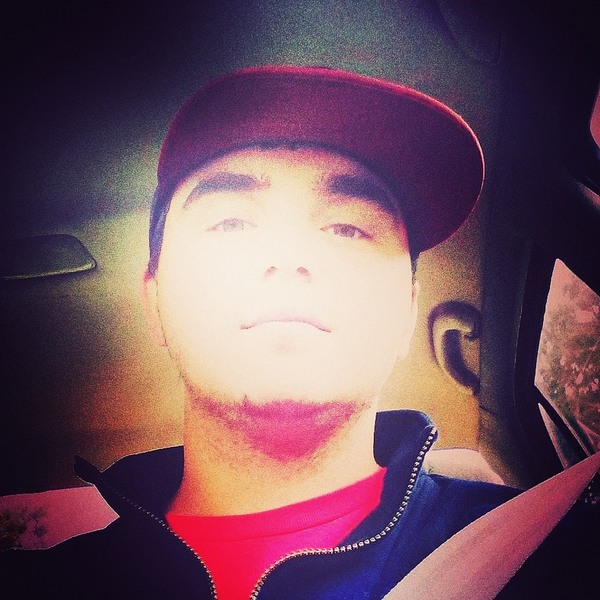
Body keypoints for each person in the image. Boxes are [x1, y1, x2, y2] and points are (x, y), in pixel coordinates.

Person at [1, 65, 595, 599]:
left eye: (348, 228)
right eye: (231, 222)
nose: (289, 257)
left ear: (407, 311)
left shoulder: (561, 560)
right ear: (154, 302)